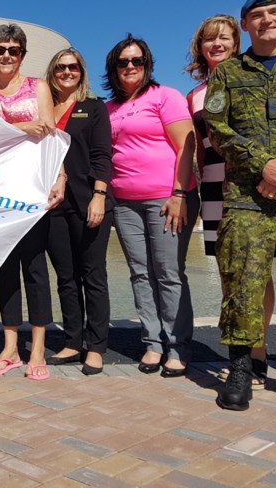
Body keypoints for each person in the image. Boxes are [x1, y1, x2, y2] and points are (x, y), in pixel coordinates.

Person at [204, 0, 276, 411]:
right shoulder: (227, 74)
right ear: (246, 25)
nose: (266, 20)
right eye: (257, 15)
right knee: (242, 286)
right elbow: (217, 127)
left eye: (274, 12)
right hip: (247, 197)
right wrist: (263, 166)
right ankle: (240, 369)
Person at [185, 14, 276, 391]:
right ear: (200, 48)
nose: (217, 44)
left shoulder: (253, 77)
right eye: (209, 40)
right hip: (213, 187)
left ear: (236, 42)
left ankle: (258, 353)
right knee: (228, 274)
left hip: (254, 184)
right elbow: (200, 150)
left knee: (259, 271)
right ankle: (240, 352)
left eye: (224, 38)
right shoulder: (196, 95)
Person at [103, 34, 199, 377]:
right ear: (113, 68)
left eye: (137, 61)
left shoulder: (165, 97)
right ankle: (153, 343)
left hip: (166, 198)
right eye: (123, 62)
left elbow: (186, 146)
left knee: (169, 273)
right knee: (141, 274)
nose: (130, 67)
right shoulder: (109, 108)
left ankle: (177, 346)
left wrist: (179, 194)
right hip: (125, 202)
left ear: (147, 65)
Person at [0, 24, 56, 380]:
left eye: (13, 49)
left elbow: (50, 133)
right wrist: (22, 128)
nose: (6, 55)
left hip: (32, 191)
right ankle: (9, 348)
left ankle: (37, 350)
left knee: (35, 270)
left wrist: (59, 178)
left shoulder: (39, 87)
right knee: (4, 271)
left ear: (22, 54)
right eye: (0, 49)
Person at [43, 48, 115, 376]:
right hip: (54, 205)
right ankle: (73, 341)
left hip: (88, 201)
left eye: (73, 67)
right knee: (66, 277)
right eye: (60, 67)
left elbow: (102, 154)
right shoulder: (44, 107)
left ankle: (96, 346)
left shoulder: (93, 107)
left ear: (81, 71)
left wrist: (99, 194)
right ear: (52, 71)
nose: (67, 72)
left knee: (92, 275)